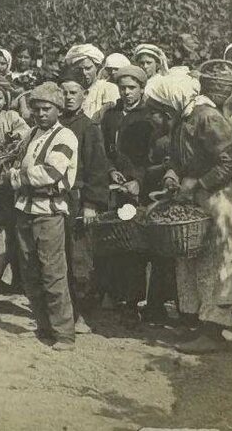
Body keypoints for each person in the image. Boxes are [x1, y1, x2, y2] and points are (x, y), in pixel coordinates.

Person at [145, 70, 232, 353]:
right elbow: (179, 158)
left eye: (161, 109)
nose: (160, 116)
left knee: (216, 262)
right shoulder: (183, 119)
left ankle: (213, 331)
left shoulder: (207, 117)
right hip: (196, 198)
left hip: (217, 198)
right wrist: (173, 175)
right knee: (195, 261)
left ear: (171, 102)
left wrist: (199, 182)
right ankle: (202, 322)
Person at [8, 82, 79, 350]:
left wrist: (17, 177)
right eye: (36, 109)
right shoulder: (31, 134)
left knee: (52, 273)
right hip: (24, 209)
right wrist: (17, 172)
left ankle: (64, 334)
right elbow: (18, 162)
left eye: (46, 109)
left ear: (58, 109)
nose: (40, 114)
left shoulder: (65, 137)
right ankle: (43, 326)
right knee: (30, 271)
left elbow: (51, 173)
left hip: (49, 212)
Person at [98, 65, 157, 318]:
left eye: (132, 88)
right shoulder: (111, 115)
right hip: (114, 186)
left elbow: (153, 156)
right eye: (123, 88)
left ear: (142, 89)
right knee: (112, 238)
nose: (127, 92)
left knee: (134, 242)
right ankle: (113, 294)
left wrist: (139, 181)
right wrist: (111, 170)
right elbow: (104, 149)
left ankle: (134, 301)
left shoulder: (148, 118)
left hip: (137, 189)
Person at [59, 78, 110, 331]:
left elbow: (97, 168)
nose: (69, 97)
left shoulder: (89, 128)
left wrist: (91, 203)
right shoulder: (55, 124)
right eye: (64, 92)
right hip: (57, 199)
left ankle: (83, 315)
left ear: (84, 94)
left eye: (74, 92)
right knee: (59, 256)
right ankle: (63, 310)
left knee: (80, 258)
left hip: (79, 200)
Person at [64, 44, 117, 123]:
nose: (84, 73)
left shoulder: (107, 88)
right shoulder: (69, 90)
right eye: (79, 69)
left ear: (97, 67)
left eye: (88, 68)